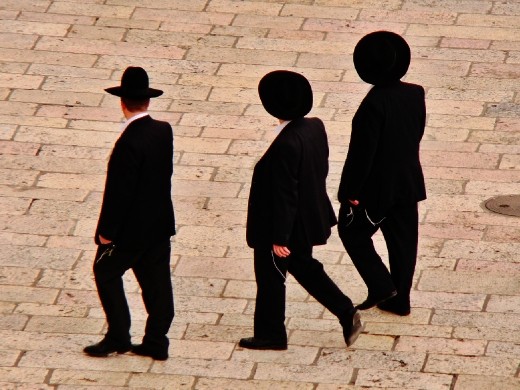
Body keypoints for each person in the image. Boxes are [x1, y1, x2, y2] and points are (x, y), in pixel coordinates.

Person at [239, 70, 362, 351]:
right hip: (307, 218)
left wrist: (279, 237)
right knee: (305, 268)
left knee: (271, 278)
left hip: (283, 225)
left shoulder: (285, 144)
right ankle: (346, 312)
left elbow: (285, 193)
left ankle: (271, 335)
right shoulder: (314, 127)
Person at [83, 67, 176, 360]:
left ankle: (118, 336)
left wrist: (106, 232)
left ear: (122, 102)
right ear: (147, 102)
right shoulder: (163, 130)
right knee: (157, 283)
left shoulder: (128, 143)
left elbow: (118, 194)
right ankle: (156, 342)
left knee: (105, 271)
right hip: (159, 225)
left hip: (131, 232)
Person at [337, 31, 427, 316]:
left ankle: (381, 285)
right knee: (403, 242)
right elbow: (416, 132)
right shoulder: (415, 93)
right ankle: (400, 300)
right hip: (407, 180)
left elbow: (362, 155)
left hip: (376, 189)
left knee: (351, 232)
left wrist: (348, 192)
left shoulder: (372, 106)